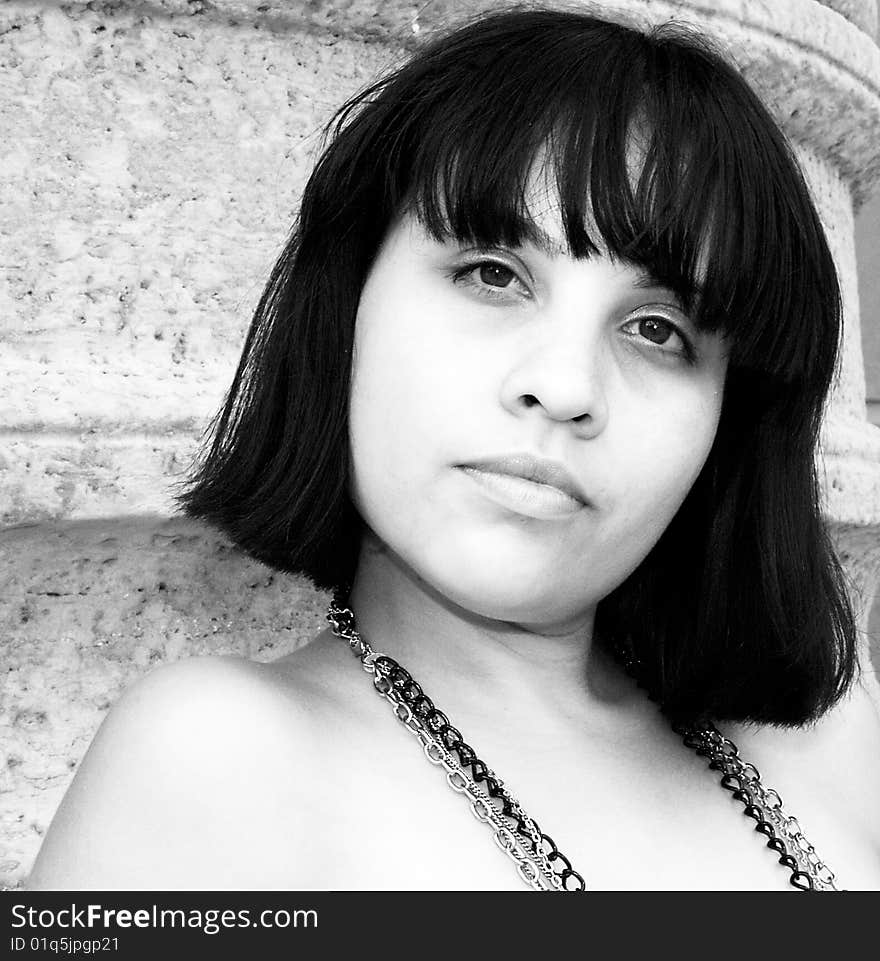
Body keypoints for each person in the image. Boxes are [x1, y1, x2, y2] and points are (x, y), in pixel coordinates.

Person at [28, 6, 880, 891]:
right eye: (494, 275)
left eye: (657, 330)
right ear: (347, 306)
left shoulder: (827, 736)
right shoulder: (215, 759)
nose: (566, 385)